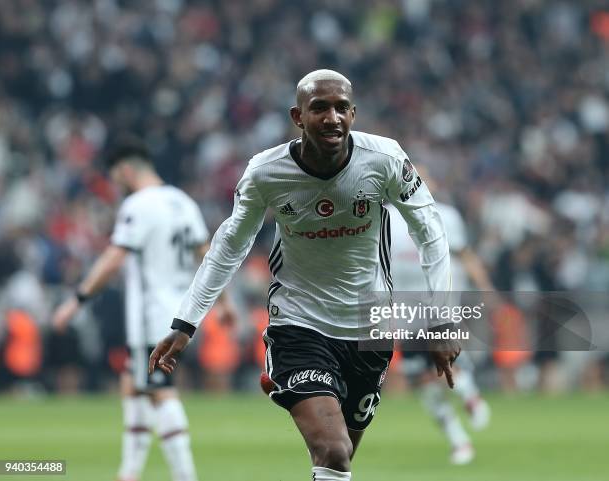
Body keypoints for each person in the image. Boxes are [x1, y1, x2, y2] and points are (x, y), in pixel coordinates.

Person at [149, 69, 459, 481]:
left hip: (370, 332)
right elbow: (229, 246)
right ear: (298, 117)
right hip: (300, 325)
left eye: (342, 108)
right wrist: (185, 323)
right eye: (320, 108)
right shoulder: (265, 173)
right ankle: (289, 377)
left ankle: (286, 387)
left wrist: (441, 318)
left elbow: (431, 232)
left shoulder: (385, 159)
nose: (332, 117)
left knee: (340, 458)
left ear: (354, 113)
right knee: (334, 452)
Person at [52, 138, 233, 481]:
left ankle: (185, 475)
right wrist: (223, 303)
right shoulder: (183, 202)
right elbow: (208, 257)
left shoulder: (139, 204)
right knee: (132, 383)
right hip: (182, 313)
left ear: (125, 170)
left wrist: (76, 301)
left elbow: (113, 258)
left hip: (153, 317)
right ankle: (129, 472)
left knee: (159, 390)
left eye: (115, 177)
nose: (115, 184)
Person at [388, 179, 492, 465]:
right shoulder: (385, 217)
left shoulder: (445, 214)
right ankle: (459, 440)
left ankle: (469, 395)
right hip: (404, 310)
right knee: (421, 380)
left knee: (447, 364)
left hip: (439, 303)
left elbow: (463, 253)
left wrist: (485, 287)